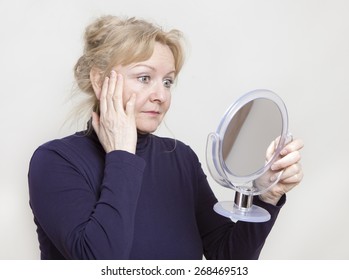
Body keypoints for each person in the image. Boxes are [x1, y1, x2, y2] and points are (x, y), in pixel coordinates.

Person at [28, 15, 304, 260]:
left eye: (168, 81)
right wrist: (122, 155)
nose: (161, 95)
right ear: (100, 82)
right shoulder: (55, 161)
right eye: (145, 78)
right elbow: (101, 260)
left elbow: (228, 259)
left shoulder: (180, 158)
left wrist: (266, 195)